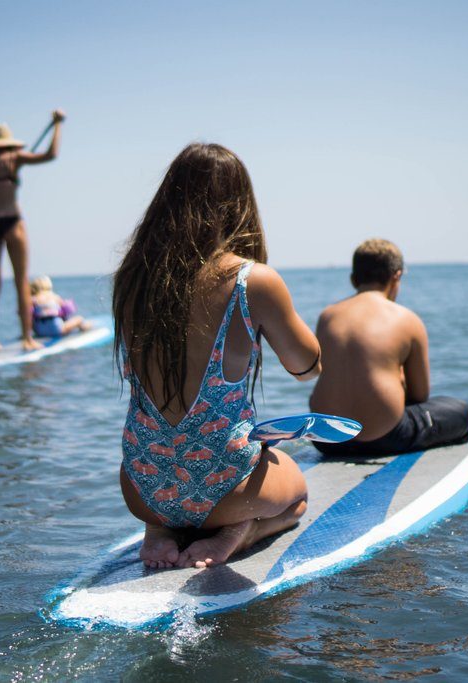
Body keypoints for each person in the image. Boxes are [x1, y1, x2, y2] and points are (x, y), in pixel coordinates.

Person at [113, 143, 322, 569]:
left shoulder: (132, 279)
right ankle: (240, 532)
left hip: (142, 490)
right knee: (297, 495)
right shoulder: (251, 280)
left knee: (170, 456)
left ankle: (160, 531)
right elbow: (306, 368)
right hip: (229, 493)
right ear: (238, 206)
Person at [309, 238, 468, 457]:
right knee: (463, 412)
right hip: (385, 438)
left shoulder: (327, 316)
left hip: (326, 440)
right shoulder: (407, 319)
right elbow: (420, 395)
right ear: (396, 277)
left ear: (353, 279)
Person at [0, 111, 65, 352]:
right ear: (9, 143)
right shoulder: (15, 158)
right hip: (12, 223)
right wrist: (57, 125)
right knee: (21, 282)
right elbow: (50, 155)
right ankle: (27, 338)